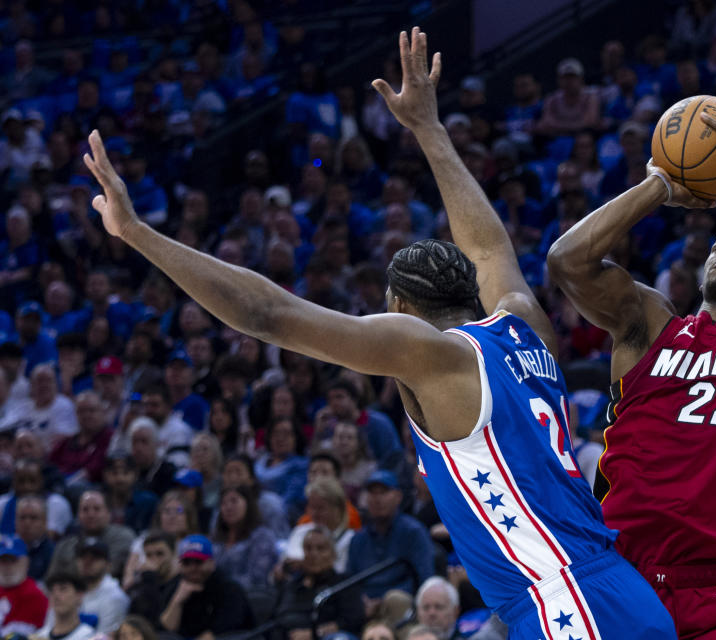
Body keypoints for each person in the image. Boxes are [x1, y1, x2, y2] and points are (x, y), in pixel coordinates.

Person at [83, 27, 675, 639]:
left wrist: (139, 236)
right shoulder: (523, 322)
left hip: (564, 603)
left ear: (398, 305)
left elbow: (268, 316)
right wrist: (429, 128)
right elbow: (488, 243)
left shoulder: (431, 354)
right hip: (614, 586)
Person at [547, 95, 716, 637]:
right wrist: (661, 185)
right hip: (615, 567)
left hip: (708, 582)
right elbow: (566, 260)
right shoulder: (652, 325)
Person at [345, 470, 432, 600]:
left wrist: (383, 600)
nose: (377, 499)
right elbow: (350, 581)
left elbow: (424, 579)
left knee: (395, 600)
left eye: (383, 492)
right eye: (372, 493)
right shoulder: (357, 539)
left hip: (403, 604)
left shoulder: (413, 532)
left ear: (398, 496)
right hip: (365, 607)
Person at [273, 527, 364, 638]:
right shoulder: (291, 585)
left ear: (333, 555)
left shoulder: (344, 584)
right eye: (308, 548)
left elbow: (352, 621)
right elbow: (274, 619)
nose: (313, 554)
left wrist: (313, 634)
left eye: (321, 549)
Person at [157, 535, 255, 637]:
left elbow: (218, 633)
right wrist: (177, 601)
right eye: (187, 563)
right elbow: (166, 631)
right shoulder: (175, 586)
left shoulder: (229, 589)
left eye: (198, 562)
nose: (192, 568)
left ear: (212, 563)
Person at [210, 485, 277, 590]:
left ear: (248, 504)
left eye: (234, 501)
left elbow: (257, 577)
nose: (228, 507)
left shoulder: (262, 536)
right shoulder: (215, 539)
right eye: (223, 503)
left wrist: (221, 587)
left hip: (252, 597)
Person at [74, 537, 129, 633]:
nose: (87, 562)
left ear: (108, 564)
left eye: (94, 558)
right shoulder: (69, 591)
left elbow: (105, 637)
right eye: (83, 557)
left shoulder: (115, 597)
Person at [0, 535, 47, 635]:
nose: (7, 567)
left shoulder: (34, 595)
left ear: (26, 562)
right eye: (3, 561)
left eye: (13, 561)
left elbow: (16, 635)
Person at [34, 572, 94, 640]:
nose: (56, 596)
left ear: (79, 595)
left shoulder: (89, 637)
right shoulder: (39, 636)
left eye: (63, 589)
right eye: (51, 590)